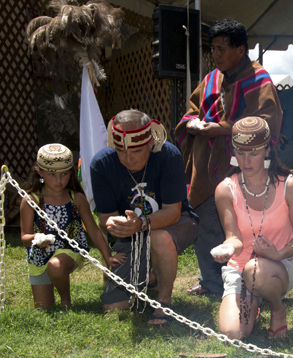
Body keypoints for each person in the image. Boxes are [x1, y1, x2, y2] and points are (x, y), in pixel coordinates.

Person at [176, 19, 282, 298]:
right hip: (207, 168)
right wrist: (192, 123)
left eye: (222, 49)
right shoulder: (211, 78)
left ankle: (248, 281)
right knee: (207, 222)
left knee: (243, 229)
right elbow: (192, 108)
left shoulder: (260, 80)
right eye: (213, 49)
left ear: (241, 50)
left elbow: (267, 123)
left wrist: (222, 128)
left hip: (245, 170)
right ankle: (212, 282)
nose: (216, 55)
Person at [91, 110, 198, 325]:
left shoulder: (169, 156)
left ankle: (163, 300)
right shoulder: (101, 164)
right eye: (120, 151)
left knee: (158, 237)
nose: (128, 158)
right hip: (130, 233)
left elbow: (172, 212)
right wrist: (114, 224)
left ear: (151, 142)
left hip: (175, 224)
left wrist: (140, 224)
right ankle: (150, 276)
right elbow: (105, 217)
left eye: (137, 151)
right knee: (114, 308)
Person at [212, 117, 293, 340]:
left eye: (253, 153)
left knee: (256, 271)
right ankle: (254, 300)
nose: (246, 161)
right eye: (240, 153)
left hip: (280, 265)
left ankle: (276, 307)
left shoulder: (290, 186)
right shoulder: (225, 189)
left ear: (267, 151)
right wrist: (228, 249)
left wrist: (278, 253)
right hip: (240, 266)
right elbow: (233, 237)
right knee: (232, 334)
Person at [20, 144, 123, 309]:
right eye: (52, 175)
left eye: (64, 174)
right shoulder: (30, 200)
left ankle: (66, 300)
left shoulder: (76, 198)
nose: (59, 180)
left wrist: (107, 256)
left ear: (71, 172)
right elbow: (24, 237)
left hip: (70, 249)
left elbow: (93, 230)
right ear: (40, 172)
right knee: (43, 309)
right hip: (38, 256)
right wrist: (36, 238)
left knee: (56, 266)